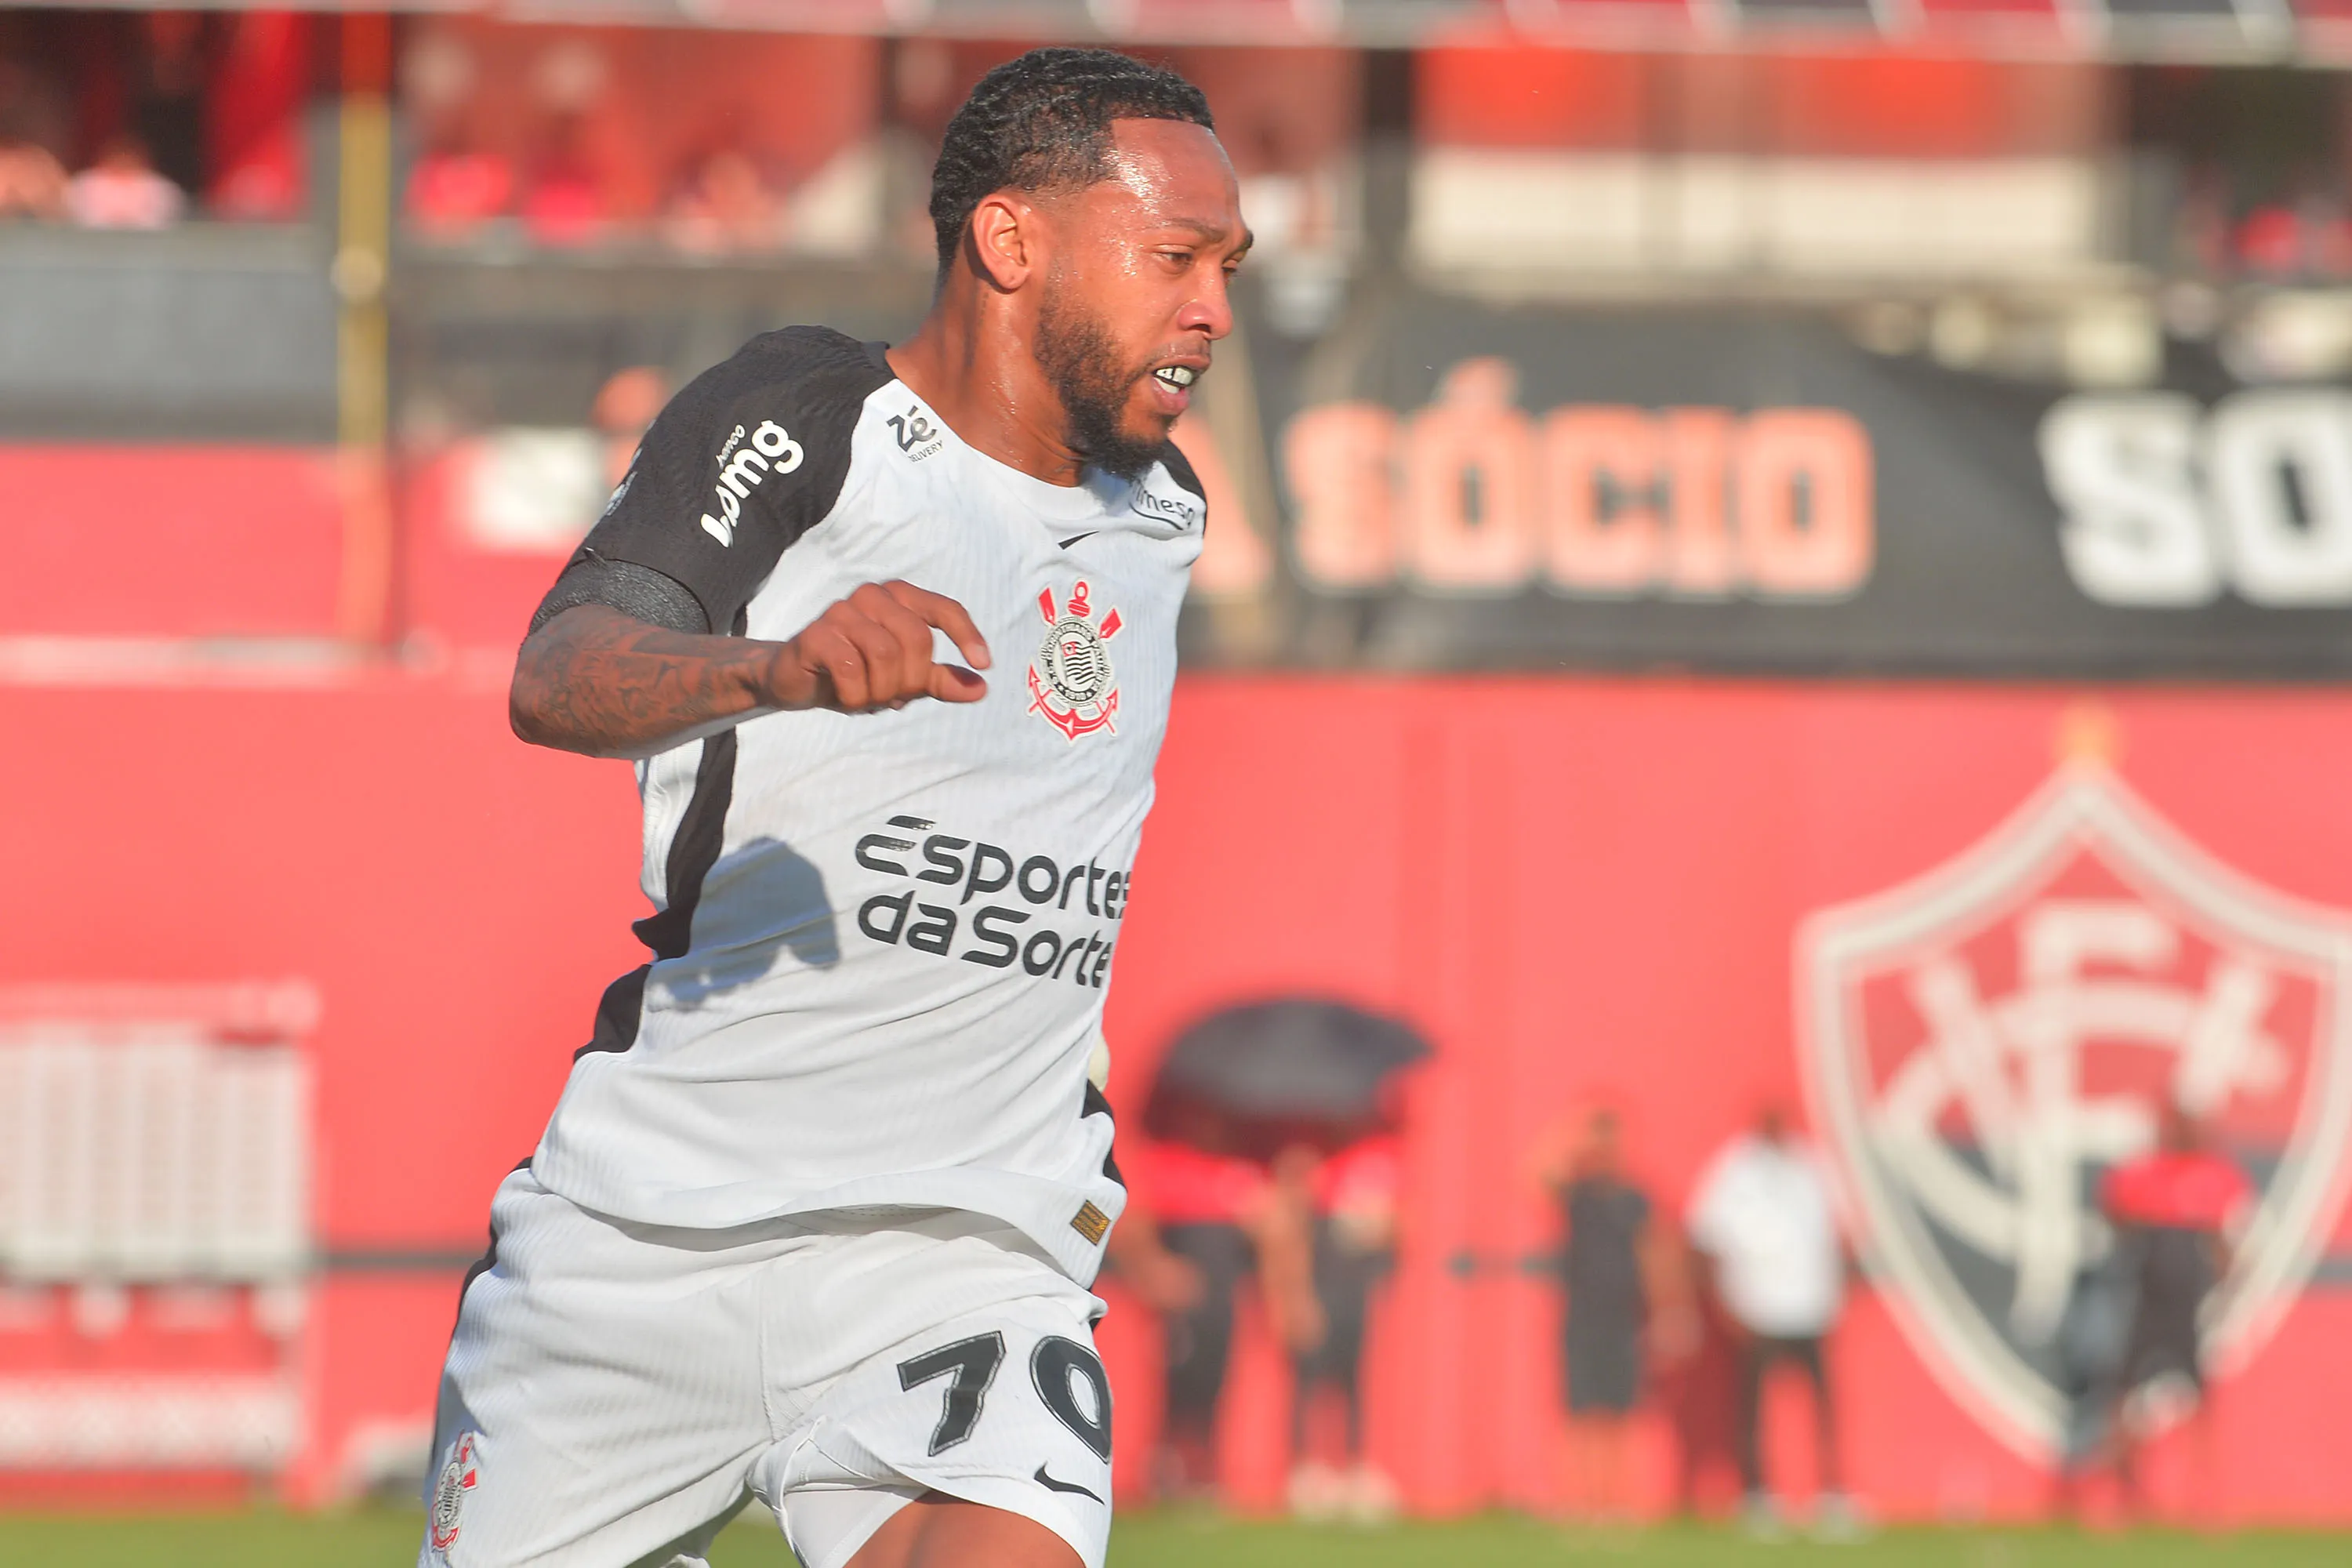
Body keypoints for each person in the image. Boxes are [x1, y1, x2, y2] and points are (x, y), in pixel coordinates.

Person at [423, 48, 1244, 1568]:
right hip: (643, 1245)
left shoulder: (1164, 513)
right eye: (1174, 258)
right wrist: (778, 666)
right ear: (1011, 241)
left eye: (1228, 268)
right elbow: (558, 674)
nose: (1214, 308)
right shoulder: (806, 417)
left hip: (965, 1259)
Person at [2065, 1100, 2251, 1524]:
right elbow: (2115, 1219)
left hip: (2187, 1312)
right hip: (2143, 1305)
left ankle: (2206, 1499)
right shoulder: (2142, 1174)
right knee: (2121, 1400)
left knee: (2201, 1402)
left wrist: (2229, 1286)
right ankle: (2114, 1494)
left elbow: (2223, 1242)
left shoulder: (2214, 1176)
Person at [1685, 1104, 1860, 1540]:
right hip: (1757, 1308)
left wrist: (1837, 1289)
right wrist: (1726, 1302)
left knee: (1823, 1406)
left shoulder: (1810, 1165)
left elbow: (1840, 1232)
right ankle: (1758, 1494)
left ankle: (1832, 1492)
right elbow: (1705, 1234)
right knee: (1753, 1407)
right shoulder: (1736, 1168)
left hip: (1811, 1307)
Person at [1532, 1107, 1686, 1525]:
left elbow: (1654, 1252)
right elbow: (1536, 1173)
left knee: (1620, 1412)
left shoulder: (1635, 1199)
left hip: (1623, 1318)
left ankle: (1617, 1501)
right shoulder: (1577, 1194)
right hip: (1582, 1316)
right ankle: (1578, 1500)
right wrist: (1572, 1136)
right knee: (1581, 1411)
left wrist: (1668, 1312)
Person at [1279, 1135, 1400, 1523]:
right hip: (1318, 1292)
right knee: (1311, 1380)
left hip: (1353, 1296)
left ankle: (1354, 1468)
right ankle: (1306, 1470)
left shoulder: (1374, 1167)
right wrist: (1298, 1297)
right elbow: (1291, 1237)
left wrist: (1381, 1225)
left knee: (1352, 1381)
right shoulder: (1308, 1168)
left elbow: (1396, 1229)